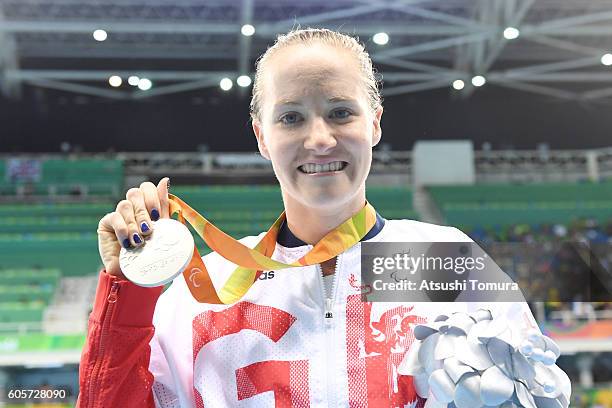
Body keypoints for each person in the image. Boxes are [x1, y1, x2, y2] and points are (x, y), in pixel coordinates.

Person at [78, 28, 569, 407]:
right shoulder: (208, 284)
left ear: (374, 122)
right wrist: (129, 292)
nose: (319, 139)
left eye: (340, 112)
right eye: (290, 117)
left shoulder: (436, 259)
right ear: (261, 137)